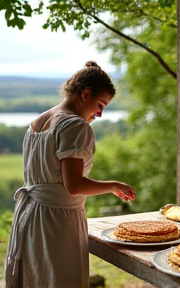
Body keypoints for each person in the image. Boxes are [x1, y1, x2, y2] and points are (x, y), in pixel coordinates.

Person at [5, 61, 136, 288]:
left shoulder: (37, 122)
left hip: (30, 216)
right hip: (58, 220)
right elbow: (74, 185)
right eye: (100, 105)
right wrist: (113, 185)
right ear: (85, 94)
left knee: (36, 279)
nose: (100, 114)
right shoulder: (75, 126)